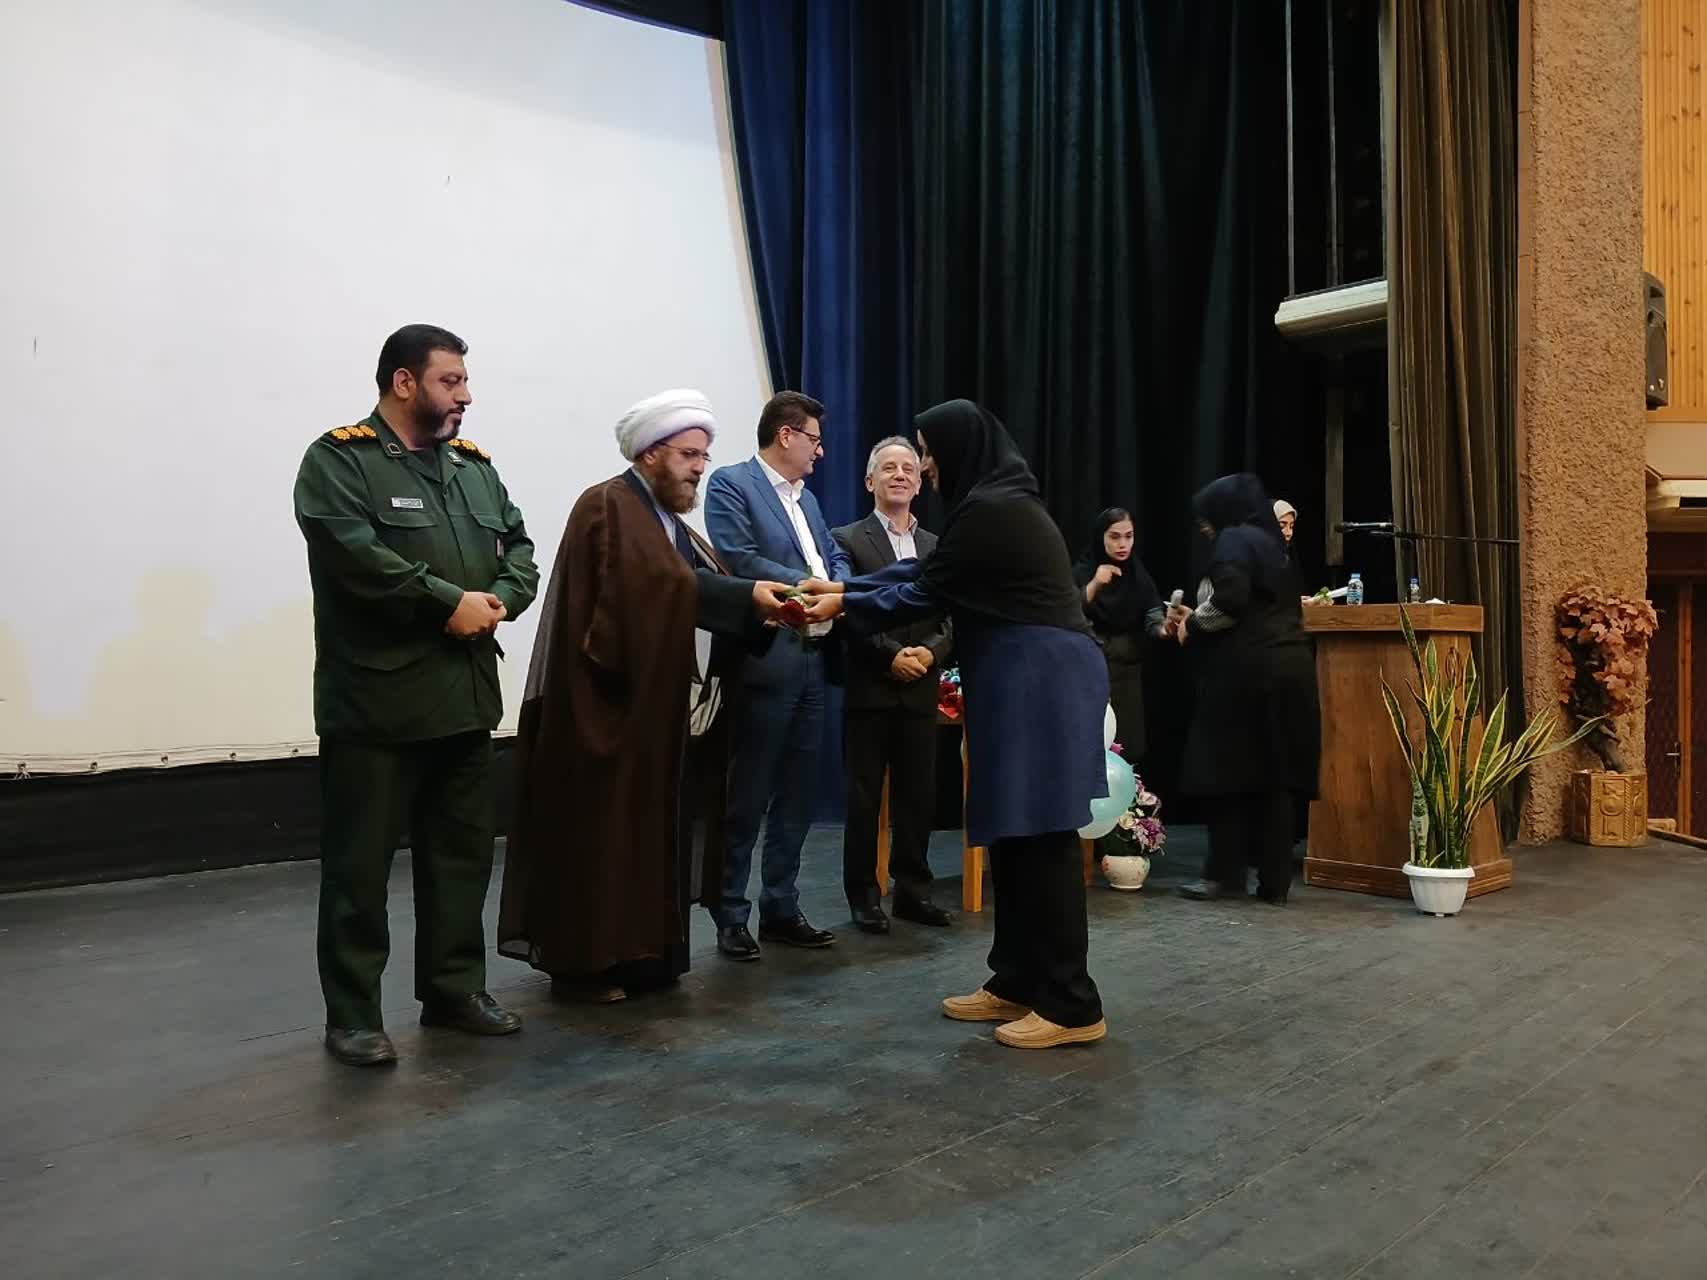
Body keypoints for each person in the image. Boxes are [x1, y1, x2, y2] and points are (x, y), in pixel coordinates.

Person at [801, 400, 1109, 1051]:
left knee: (1042, 832)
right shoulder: (991, 503)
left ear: (960, 447)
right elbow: (922, 573)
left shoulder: (995, 509)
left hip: (1041, 680)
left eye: (928, 451)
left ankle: (1072, 1003)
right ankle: (1018, 978)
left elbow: (923, 590)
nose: (926, 465)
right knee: (1012, 831)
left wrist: (843, 603)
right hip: (1020, 677)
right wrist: (846, 593)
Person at [292, 324, 538, 1068]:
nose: (466, 396)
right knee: (359, 869)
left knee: (460, 859)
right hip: (376, 706)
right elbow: (354, 557)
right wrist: (445, 602)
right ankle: (353, 1016)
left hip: (464, 700)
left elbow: (520, 549)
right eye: (450, 381)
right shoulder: (340, 460)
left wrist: (499, 600)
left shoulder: (473, 469)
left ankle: (454, 990)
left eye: (464, 381)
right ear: (404, 383)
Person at [497, 391, 792, 1003]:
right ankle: (583, 967)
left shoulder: (665, 521)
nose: (699, 469)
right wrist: (744, 597)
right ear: (651, 453)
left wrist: (757, 605)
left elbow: (690, 583)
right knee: (600, 843)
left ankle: (642, 956)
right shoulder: (606, 505)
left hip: (651, 714)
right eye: (688, 456)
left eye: (704, 457)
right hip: (600, 712)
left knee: (645, 839)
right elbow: (646, 589)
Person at [703, 392, 851, 960]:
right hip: (767, 655)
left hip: (814, 656)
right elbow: (738, 558)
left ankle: (781, 906)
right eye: (814, 439)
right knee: (749, 791)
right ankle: (730, 912)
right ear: (786, 435)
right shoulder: (731, 484)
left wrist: (837, 586)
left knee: (799, 791)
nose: (820, 451)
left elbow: (833, 556)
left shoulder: (807, 500)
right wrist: (807, 588)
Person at [1168, 474, 1321, 905]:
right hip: (1293, 669)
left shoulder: (1234, 538)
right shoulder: (1277, 546)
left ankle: (1224, 875)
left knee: (1224, 774)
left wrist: (1193, 624)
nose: (1204, 527)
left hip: (1247, 673)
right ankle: (1275, 883)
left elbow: (1231, 599)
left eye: (1207, 518)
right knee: (1275, 780)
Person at [832, 436, 955, 934]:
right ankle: (864, 896)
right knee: (864, 799)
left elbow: (951, 614)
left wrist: (930, 653)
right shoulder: (846, 539)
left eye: (909, 468)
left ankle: (913, 893)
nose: (900, 474)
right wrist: (891, 655)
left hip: (922, 687)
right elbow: (847, 607)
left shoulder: (937, 547)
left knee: (918, 796)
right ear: (870, 481)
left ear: (919, 484)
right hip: (871, 686)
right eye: (889, 468)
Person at [1073, 507, 1166, 764]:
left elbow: (1153, 614)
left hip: (1128, 674)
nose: (1123, 544)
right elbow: (1067, 613)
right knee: (1092, 746)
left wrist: (1164, 628)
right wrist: (1095, 584)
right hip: (1092, 671)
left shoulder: (1137, 574)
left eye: (1129, 536)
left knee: (1128, 748)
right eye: (1115, 537)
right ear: (1100, 537)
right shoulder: (1083, 571)